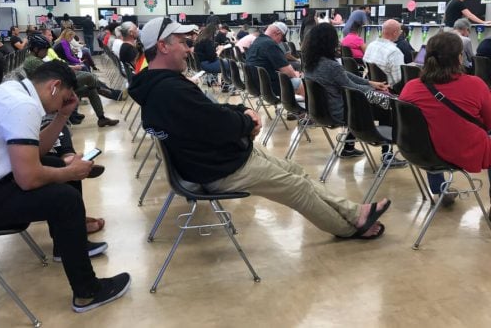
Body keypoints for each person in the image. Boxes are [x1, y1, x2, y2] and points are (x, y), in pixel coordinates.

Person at [128, 17, 390, 240]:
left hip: (216, 158)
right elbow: (217, 125)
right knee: (297, 187)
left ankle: (356, 213)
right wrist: (247, 122)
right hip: (219, 168)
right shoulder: (170, 90)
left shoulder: (161, 84)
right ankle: (349, 228)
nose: (189, 49)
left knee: (296, 171)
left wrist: (242, 112)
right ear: (162, 46)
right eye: (184, 43)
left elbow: (210, 114)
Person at [0, 61, 130, 312]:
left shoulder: (14, 93)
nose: (68, 102)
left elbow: (36, 152)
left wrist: (62, 116)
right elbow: (28, 178)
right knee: (64, 198)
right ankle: (87, 292)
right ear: (54, 87)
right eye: (67, 98)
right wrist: (70, 171)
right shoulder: (21, 105)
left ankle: (65, 245)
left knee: (55, 164)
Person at [400, 32, 491, 205]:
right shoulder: (475, 84)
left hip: (422, 152)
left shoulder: (410, 87)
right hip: (463, 151)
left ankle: (440, 189)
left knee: (430, 130)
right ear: (459, 58)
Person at [303, 23, 405, 166]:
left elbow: (344, 75)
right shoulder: (331, 66)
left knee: (358, 105)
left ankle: (349, 148)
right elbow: (352, 88)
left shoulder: (311, 63)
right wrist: (376, 92)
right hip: (337, 112)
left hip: (320, 111)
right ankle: (387, 156)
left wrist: (370, 83)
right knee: (383, 110)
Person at [25, 33, 120, 128]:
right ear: (36, 49)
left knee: (91, 90)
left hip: (59, 86)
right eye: (45, 50)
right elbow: (52, 74)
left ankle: (102, 118)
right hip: (57, 89)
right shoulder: (33, 61)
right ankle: (101, 89)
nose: (46, 53)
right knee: (89, 77)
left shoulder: (35, 59)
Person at [246, 22, 305, 97]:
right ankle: (303, 108)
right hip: (268, 87)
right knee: (302, 83)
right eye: (282, 38)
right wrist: (295, 74)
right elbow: (288, 72)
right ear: (277, 33)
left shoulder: (256, 41)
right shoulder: (270, 44)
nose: (280, 42)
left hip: (254, 85)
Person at [363, 19, 405, 90]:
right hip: (388, 91)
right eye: (400, 32)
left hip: (371, 88)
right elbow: (399, 80)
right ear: (395, 33)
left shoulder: (371, 45)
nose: (400, 34)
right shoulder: (395, 52)